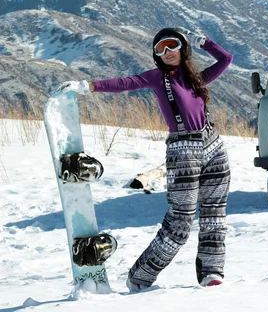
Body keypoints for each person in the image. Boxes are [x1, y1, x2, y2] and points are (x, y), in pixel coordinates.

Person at [57, 27, 233, 291]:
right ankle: (140, 277)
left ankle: (211, 272)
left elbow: (226, 59)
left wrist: (203, 41)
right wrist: (87, 86)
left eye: (171, 45)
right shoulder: (156, 78)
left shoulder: (196, 77)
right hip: (183, 151)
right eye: (160, 49)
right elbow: (125, 83)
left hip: (214, 146)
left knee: (214, 215)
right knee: (179, 223)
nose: (166, 52)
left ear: (182, 48)